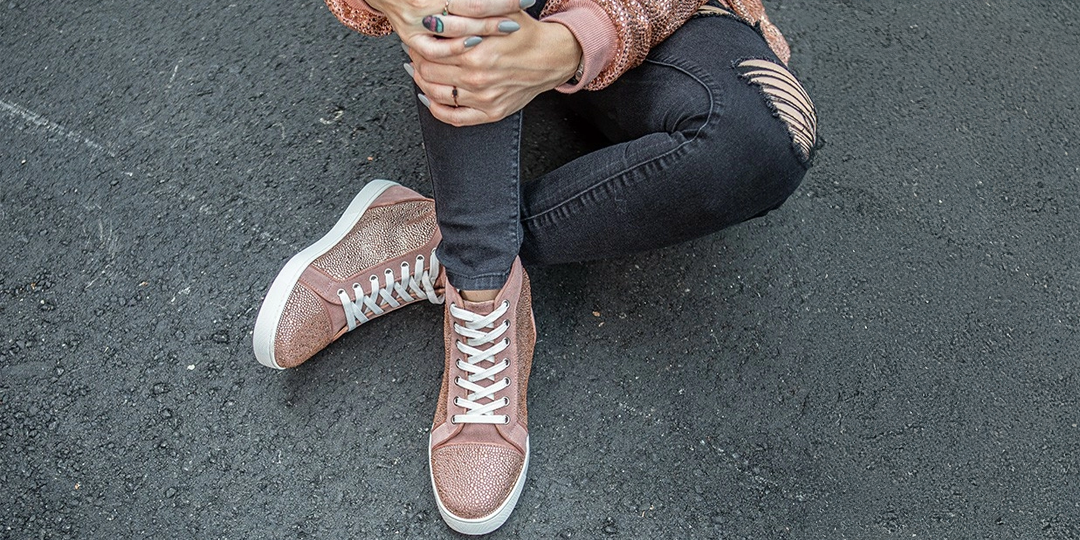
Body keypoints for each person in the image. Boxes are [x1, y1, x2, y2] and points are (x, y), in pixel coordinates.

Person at [252, 0, 816, 534]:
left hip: (652, 22)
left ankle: (444, 237)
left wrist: (576, 40)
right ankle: (480, 281)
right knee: (463, 10)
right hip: (481, 28)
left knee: (768, 133)